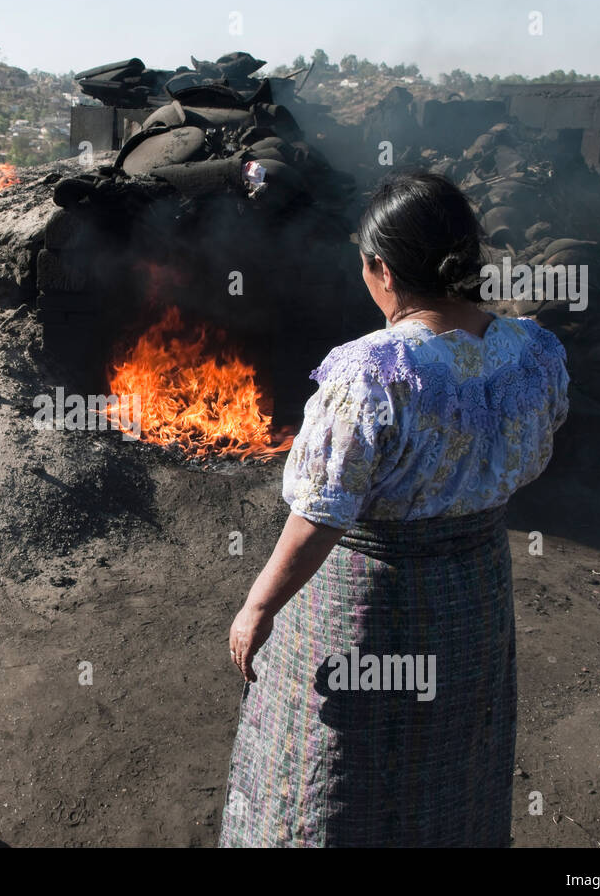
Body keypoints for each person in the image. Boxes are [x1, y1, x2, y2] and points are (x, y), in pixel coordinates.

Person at [220, 170, 569, 847]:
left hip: (370, 606)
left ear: (381, 269)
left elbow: (323, 508)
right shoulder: (532, 353)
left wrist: (258, 603)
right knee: (452, 756)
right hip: (475, 594)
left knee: (343, 758)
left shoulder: (371, 371)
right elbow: (535, 447)